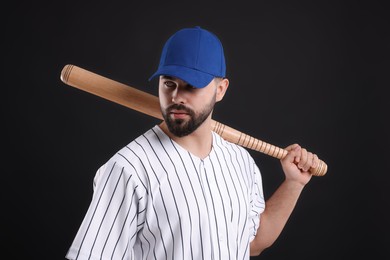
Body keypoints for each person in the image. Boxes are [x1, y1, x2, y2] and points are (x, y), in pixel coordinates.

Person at [65, 26, 319, 260]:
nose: (176, 97)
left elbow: (252, 241)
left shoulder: (241, 161)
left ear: (221, 90)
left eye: (191, 86)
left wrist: (294, 183)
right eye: (169, 84)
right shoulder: (128, 169)